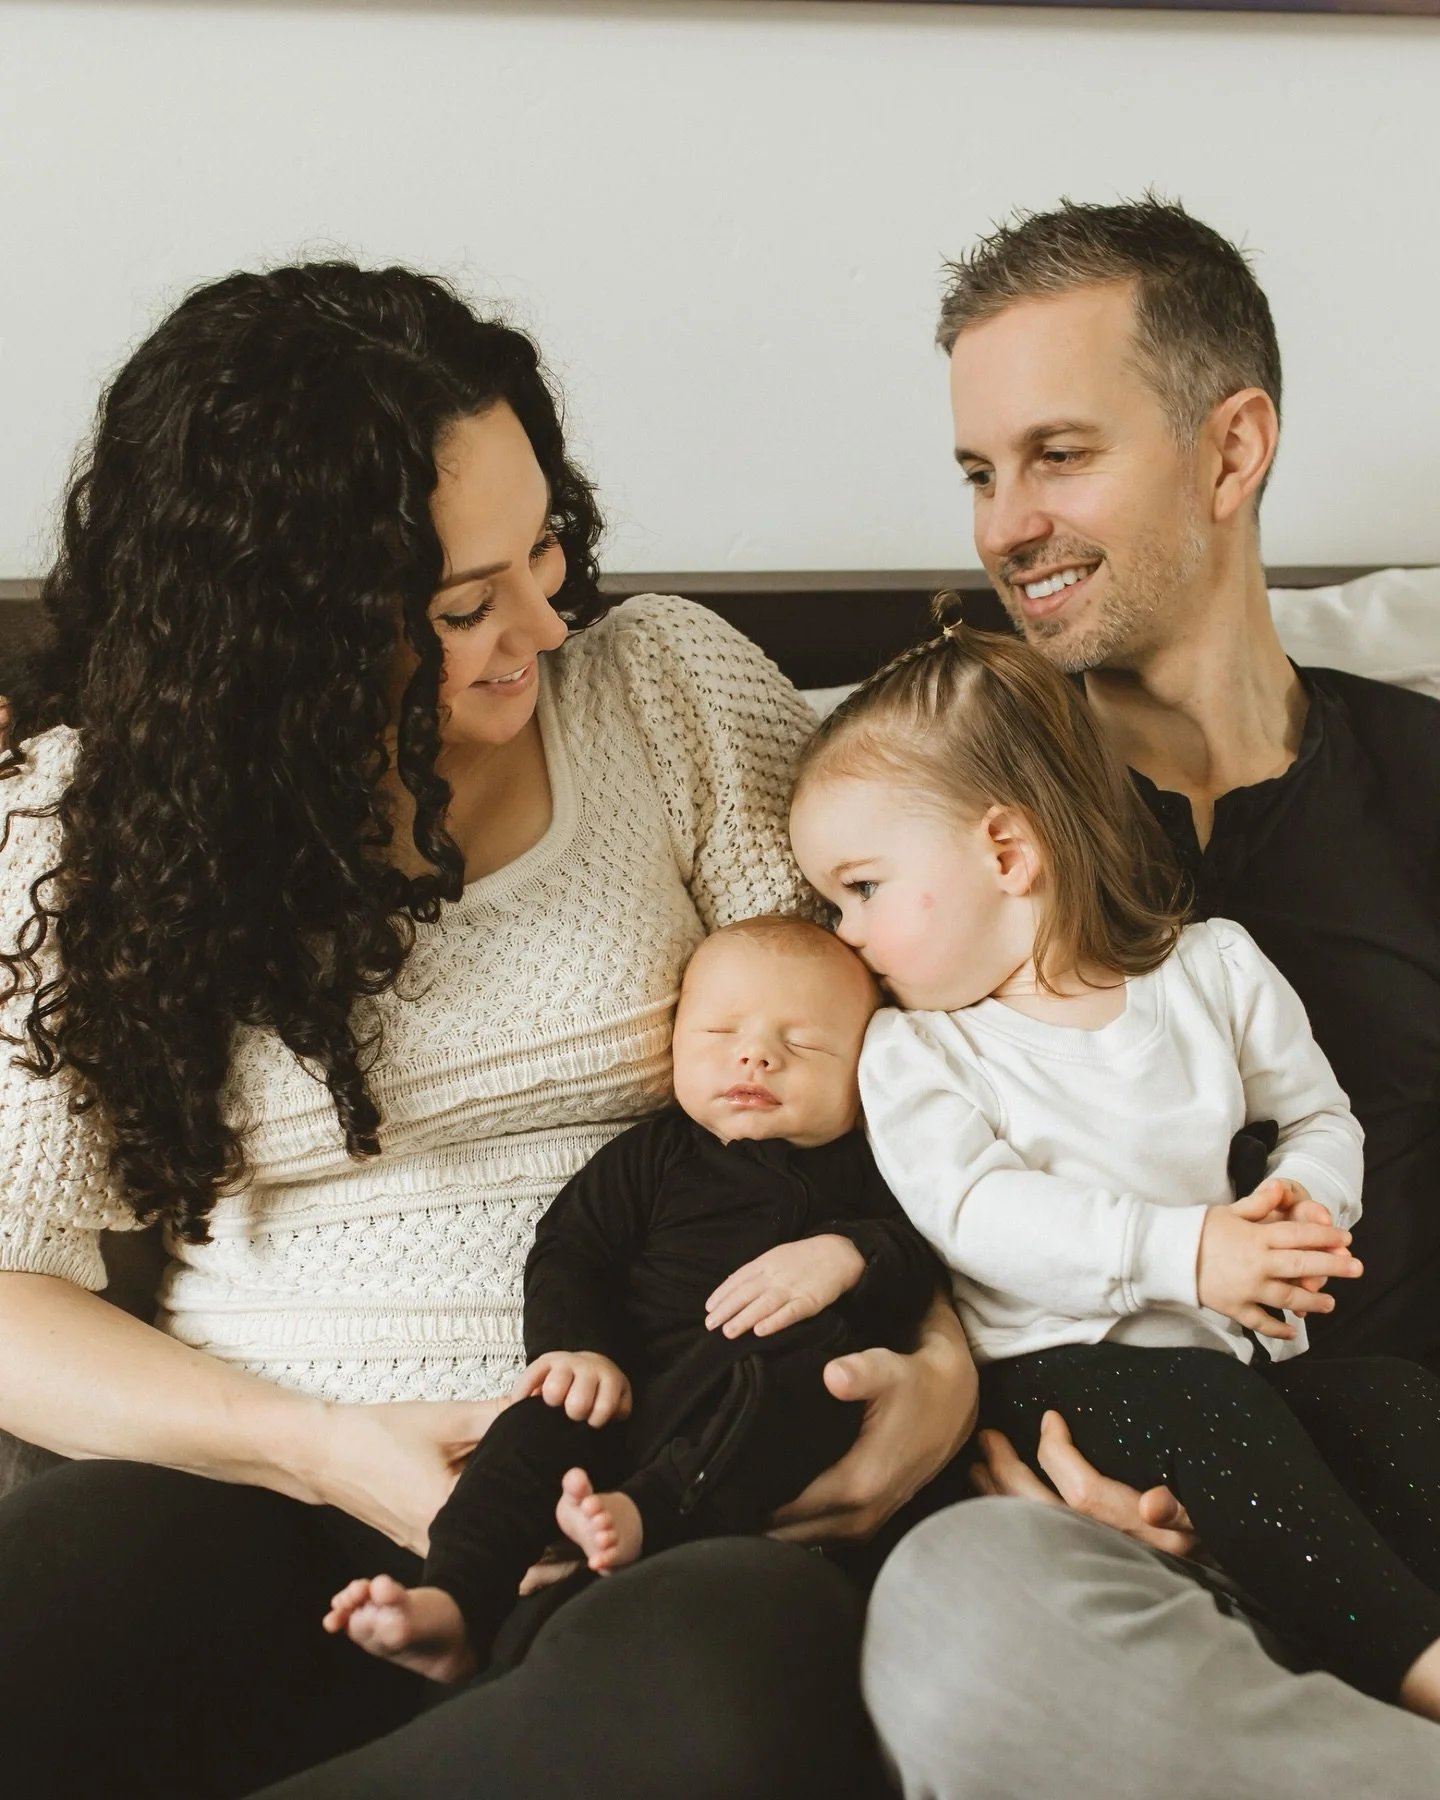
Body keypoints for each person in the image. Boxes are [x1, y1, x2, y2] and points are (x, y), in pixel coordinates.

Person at [0, 262, 976, 1800]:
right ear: (279, 634)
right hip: (275, 1474)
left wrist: (941, 1358)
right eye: (464, 604)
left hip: (666, 1478)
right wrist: (326, 1452)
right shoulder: (89, 826)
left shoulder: (664, 694)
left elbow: (927, 1060)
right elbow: (8, 1286)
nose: (545, 621)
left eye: (546, 550)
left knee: (733, 1687)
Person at [854, 198, 1440, 1798]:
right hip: (1119, 1507)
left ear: (1230, 450)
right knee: (960, 1619)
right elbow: (852, 1168)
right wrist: (965, 1400)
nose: (1003, 525)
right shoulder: (932, 832)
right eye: (981, 472)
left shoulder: (1419, 777)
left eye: (1058, 455)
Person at [791, 616, 1440, 1714]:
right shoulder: (918, 1049)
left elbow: (1320, 1114)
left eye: (861, 889)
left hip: (1233, 1372)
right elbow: (977, 1212)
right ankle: (1417, 1673)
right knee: (1209, 1407)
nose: (842, 933)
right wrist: (1184, 1250)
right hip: (1054, 1375)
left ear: (1006, 853)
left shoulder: (1211, 968)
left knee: (1392, 1401)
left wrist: (1300, 1207)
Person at [326, 915, 941, 1682]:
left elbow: (930, 1251)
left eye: (806, 1044)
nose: (756, 1055)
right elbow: (571, 1247)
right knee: (533, 1431)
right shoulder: (656, 1155)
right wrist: (572, 1347)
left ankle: (652, 1513)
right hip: (626, 1382)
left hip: (755, 1403)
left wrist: (849, 1252)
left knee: (811, 1381)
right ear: (676, 1042)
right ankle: (453, 1601)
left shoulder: (877, 1166)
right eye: (721, 1031)